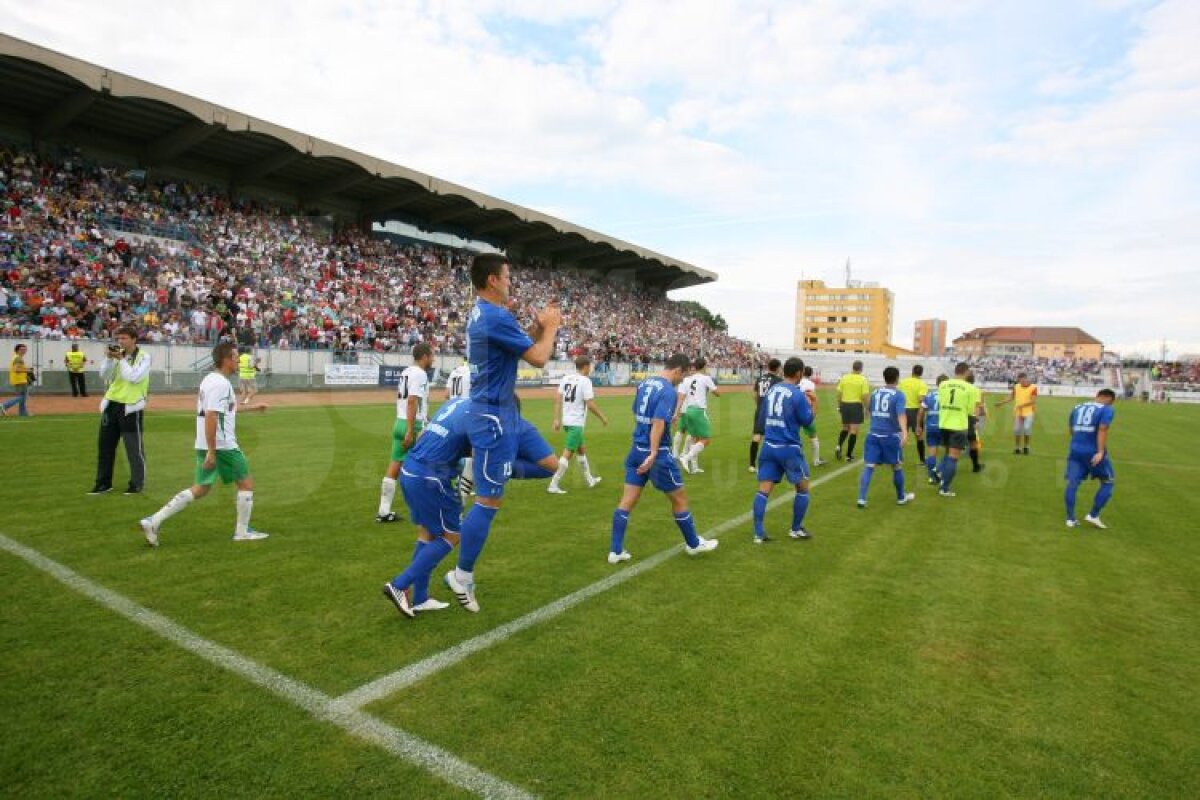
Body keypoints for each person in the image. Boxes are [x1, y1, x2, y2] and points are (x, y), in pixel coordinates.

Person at [443, 254, 561, 614]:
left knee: (551, 465)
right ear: (493, 280)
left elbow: (522, 346)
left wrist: (538, 329)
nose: (511, 281)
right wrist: (552, 327)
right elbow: (539, 359)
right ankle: (461, 576)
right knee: (489, 501)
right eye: (507, 276)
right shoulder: (493, 315)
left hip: (507, 412)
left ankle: (486, 469)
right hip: (492, 416)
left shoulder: (488, 314)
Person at [381, 396, 558, 617]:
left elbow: (437, 436)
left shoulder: (457, 403)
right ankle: (400, 584)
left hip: (411, 468)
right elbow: (549, 465)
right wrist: (506, 465)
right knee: (452, 535)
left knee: (427, 533)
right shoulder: (492, 420)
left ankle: (420, 598)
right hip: (433, 476)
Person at [138, 341, 268, 546]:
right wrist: (212, 451)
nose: (237, 361)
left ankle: (153, 521)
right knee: (245, 483)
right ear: (226, 360)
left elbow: (224, 410)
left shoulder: (210, 380)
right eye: (235, 357)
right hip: (222, 444)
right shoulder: (220, 384)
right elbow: (211, 416)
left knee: (201, 487)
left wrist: (254, 408)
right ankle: (242, 532)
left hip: (205, 443)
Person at [609, 353, 718, 564]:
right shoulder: (668, 390)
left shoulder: (645, 383)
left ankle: (615, 551)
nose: (682, 380)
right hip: (656, 454)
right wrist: (653, 452)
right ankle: (694, 545)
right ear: (677, 370)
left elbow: (638, 412)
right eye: (683, 376)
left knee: (627, 501)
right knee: (679, 499)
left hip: (635, 450)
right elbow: (658, 423)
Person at [751, 357, 815, 543]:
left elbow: (762, 417)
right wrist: (814, 403)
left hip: (769, 446)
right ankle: (795, 529)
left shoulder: (772, 390)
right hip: (789, 448)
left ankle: (758, 533)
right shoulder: (797, 394)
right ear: (798, 373)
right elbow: (808, 421)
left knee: (763, 490)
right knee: (803, 488)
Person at [90, 326, 151, 495]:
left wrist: (122, 359)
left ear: (134, 339)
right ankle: (103, 483)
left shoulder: (144, 357)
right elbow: (105, 375)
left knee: (134, 449)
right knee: (105, 447)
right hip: (112, 404)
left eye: (124, 338)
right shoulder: (118, 355)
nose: (120, 342)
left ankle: (136, 483)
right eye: (118, 339)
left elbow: (134, 377)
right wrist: (110, 359)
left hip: (131, 407)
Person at [377, 343, 434, 523]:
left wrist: (426, 417)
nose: (433, 359)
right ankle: (426, 508)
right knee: (429, 464)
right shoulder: (420, 373)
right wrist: (411, 429)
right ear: (424, 356)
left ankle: (383, 511)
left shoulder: (406, 372)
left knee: (395, 465)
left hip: (399, 422)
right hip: (413, 425)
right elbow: (412, 401)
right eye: (432, 355)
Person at [856, 366, 916, 509]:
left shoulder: (875, 392)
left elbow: (868, 410)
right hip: (890, 436)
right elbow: (901, 415)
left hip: (873, 434)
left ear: (884, 377)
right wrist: (905, 433)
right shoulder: (899, 394)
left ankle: (861, 499)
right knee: (896, 466)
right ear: (897, 378)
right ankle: (901, 497)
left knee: (869, 467)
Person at [548, 355, 609, 494]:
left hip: (567, 421)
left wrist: (556, 419)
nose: (591, 369)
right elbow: (590, 403)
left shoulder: (566, 378)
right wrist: (602, 417)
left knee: (581, 450)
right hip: (576, 422)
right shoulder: (585, 381)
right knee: (567, 455)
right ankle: (553, 484)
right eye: (591, 366)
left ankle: (589, 479)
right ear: (586, 366)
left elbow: (557, 399)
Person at [1064, 389, 1117, 529]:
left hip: (1075, 450)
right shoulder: (1106, 409)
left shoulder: (1077, 407)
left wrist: (1078, 441)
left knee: (1072, 484)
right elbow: (1103, 429)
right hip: (1093, 451)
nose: (1111, 404)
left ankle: (1070, 519)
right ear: (1107, 398)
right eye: (1111, 401)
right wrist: (1100, 451)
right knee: (1108, 481)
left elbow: (1070, 428)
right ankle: (1093, 515)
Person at [935, 363, 973, 497]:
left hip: (944, 423)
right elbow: (971, 410)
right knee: (953, 458)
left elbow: (940, 402)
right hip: (958, 426)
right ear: (966, 371)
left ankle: (939, 474)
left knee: (947, 453)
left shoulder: (943, 384)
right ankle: (944, 488)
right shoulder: (970, 387)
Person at [676, 357, 719, 474]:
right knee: (706, 439)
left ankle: (694, 467)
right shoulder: (706, 378)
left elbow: (681, 396)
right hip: (698, 411)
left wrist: (676, 412)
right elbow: (717, 393)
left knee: (695, 439)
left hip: (688, 410)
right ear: (704, 366)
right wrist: (712, 388)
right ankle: (685, 457)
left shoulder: (687, 379)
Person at [749, 358, 783, 473]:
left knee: (757, 436)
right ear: (778, 368)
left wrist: (759, 405)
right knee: (772, 436)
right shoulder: (779, 380)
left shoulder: (760, 378)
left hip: (760, 410)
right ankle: (771, 462)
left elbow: (754, 394)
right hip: (771, 411)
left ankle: (752, 464)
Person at [835, 360, 870, 462]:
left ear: (852, 367)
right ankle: (848, 455)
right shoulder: (863, 379)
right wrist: (867, 408)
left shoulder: (844, 378)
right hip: (855, 405)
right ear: (861, 368)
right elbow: (865, 396)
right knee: (854, 430)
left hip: (844, 404)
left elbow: (839, 393)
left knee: (845, 428)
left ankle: (838, 446)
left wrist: (839, 405)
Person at [994, 372, 1037, 454]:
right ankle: (1017, 448)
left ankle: (1026, 447)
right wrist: (1001, 403)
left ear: (1026, 378)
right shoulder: (1016, 387)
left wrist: (1022, 405)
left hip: (1028, 412)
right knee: (1017, 430)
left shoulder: (1033, 387)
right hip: (1018, 412)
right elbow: (1011, 397)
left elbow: (1033, 401)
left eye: (1022, 380)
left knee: (1027, 428)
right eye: (1019, 380)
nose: (1021, 382)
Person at [898, 365, 928, 465]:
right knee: (919, 436)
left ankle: (898, 459)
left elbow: (898, 394)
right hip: (915, 411)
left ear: (912, 371)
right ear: (921, 373)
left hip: (903, 411)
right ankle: (922, 460)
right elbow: (921, 400)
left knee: (902, 435)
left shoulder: (903, 382)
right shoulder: (922, 384)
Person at [919, 375, 947, 483]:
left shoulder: (929, 395)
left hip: (931, 427)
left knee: (932, 453)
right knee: (950, 452)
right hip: (944, 427)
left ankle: (931, 477)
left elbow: (921, 412)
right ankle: (938, 471)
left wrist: (918, 425)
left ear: (937, 383)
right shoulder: (947, 395)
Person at [798, 365, 826, 466]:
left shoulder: (797, 381)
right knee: (813, 436)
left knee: (794, 434)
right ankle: (816, 460)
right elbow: (811, 397)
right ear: (811, 374)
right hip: (806, 410)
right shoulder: (810, 384)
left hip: (794, 410)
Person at [1, 343, 32, 417]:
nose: (24, 351)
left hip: (17, 380)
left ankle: (22, 413)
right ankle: (4, 405)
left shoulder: (15, 357)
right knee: (22, 397)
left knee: (23, 397)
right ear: (17, 350)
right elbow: (16, 369)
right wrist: (28, 371)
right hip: (20, 380)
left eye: (25, 349)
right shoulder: (18, 358)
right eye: (22, 349)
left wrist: (25, 370)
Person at [965, 371, 985, 473]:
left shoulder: (961, 388)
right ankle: (975, 466)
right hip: (970, 418)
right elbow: (977, 406)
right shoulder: (976, 390)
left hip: (959, 417)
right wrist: (977, 420)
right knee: (973, 442)